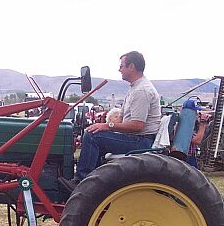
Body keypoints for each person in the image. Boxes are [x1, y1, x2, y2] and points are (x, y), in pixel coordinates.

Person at [59, 51, 161, 192]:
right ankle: (96, 185)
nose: (119, 69)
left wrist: (107, 126)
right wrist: (100, 125)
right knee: (93, 131)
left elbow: (138, 125)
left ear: (131, 66)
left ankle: (81, 183)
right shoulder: (135, 88)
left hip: (141, 141)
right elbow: (123, 118)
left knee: (92, 137)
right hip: (136, 138)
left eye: (121, 66)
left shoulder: (141, 90)